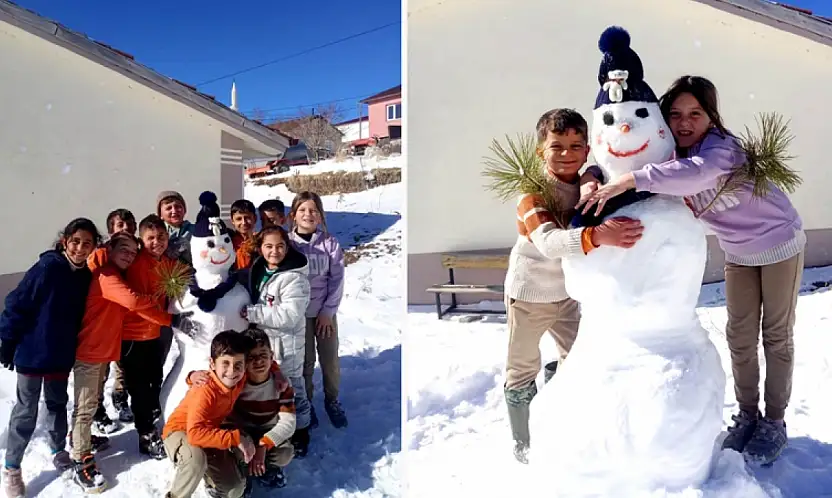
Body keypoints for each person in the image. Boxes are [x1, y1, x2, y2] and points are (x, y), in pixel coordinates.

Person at [578, 75, 805, 465]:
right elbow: (619, 160)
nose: (685, 122)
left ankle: (774, 421)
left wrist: (633, 179)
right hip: (738, 253)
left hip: (779, 243)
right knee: (739, 335)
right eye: (676, 114)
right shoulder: (669, 157)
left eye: (695, 114)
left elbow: (696, 174)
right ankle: (748, 415)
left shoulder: (722, 149)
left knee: (775, 337)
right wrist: (591, 178)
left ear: (711, 118)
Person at [504, 108, 644, 464]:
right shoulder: (531, 195)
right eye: (557, 146)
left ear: (586, 150)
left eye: (575, 145)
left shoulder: (585, 181)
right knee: (522, 367)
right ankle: (524, 440)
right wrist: (596, 235)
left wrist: (594, 174)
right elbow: (549, 242)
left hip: (568, 295)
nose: (566, 153)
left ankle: (558, 417)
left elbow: (597, 169)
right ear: (540, 152)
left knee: (578, 358)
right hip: (529, 296)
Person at [0, 218, 100, 498]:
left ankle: (58, 448)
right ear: (65, 241)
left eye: (87, 243)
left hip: (60, 353)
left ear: (94, 247)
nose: (80, 248)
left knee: (57, 403)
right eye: (76, 241)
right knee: (25, 410)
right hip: (33, 352)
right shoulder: (48, 267)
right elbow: (17, 302)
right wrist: (7, 339)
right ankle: (12, 468)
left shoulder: (85, 276)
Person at [70, 233, 166, 492]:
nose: (129, 255)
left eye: (133, 252)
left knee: (88, 401)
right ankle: (81, 460)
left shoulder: (113, 272)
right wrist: (166, 313)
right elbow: (133, 301)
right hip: (90, 351)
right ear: (109, 248)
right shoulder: (107, 275)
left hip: (103, 351)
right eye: (123, 249)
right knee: (86, 405)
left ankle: (80, 439)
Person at [188, 328, 296, 491]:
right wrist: (192, 376)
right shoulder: (237, 382)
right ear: (244, 362)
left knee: (285, 453)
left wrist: (263, 445)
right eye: (252, 358)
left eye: (263, 356)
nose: (258, 361)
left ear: (271, 356)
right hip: (242, 430)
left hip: (267, 430)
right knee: (242, 452)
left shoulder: (281, 384)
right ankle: (243, 472)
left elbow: (289, 423)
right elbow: (213, 378)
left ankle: (268, 469)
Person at [242, 226, 313, 457]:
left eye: (280, 246)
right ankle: (276, 426)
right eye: (269, 246)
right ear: (260, 248)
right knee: (272, 387)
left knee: (293, 387)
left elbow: (290, 315)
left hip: (286, 344)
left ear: (287, 247)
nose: (275, 251)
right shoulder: (260, 268)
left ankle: (302, 429)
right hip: (265, 342)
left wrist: (254, 314)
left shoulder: (294, 278)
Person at [161, 331, 256, 498]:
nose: (232, 371)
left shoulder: (240, 379)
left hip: (209, 431)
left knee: (234, 490)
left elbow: (264, 364)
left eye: (238, 364)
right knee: (195, 460)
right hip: (180, 432)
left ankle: (214, 483)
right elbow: (195, 435)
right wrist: (236, 438)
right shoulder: (205, 389)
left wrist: (277, 374)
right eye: (225, 363)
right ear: (212, 364)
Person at [120, 214, 174, 460]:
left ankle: (152, 422)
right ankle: (145, 435)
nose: (157, 242)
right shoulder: (140, 264)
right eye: (150, 238)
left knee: (155, 379)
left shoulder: (163, 261)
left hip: (153, 335)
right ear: (142, 240)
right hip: (133, 337)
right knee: (140, 388)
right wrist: (168, 319)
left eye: (161, 236)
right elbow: (139, 304)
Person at [89, 208, 137, 432]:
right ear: (110, 231)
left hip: (128, 322)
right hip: (103, 323)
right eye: (120, 226)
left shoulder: (137, 252)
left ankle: (120, 397)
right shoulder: (101, 256)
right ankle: (97, 409)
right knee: (101, 369)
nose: (125, 230)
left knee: (123, 366)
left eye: (129, 226)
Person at [157, 190, 194, 265]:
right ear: (160, 215)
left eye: (178, 207)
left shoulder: (195, 230)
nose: (174, 211)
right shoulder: (156, 232)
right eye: (168, 208)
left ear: (184, 210)